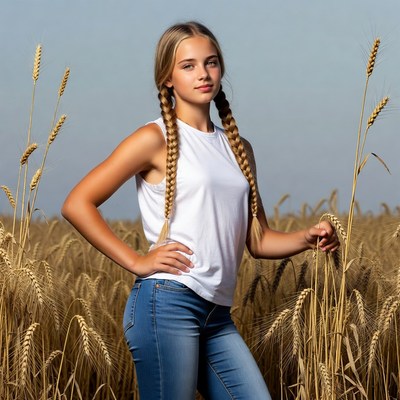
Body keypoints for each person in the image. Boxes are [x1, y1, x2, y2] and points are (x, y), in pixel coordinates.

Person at [62, 21, 339, 400]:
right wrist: (137, 261)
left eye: (210, 63)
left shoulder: (239, 149)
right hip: (167, 304)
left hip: (217, 317)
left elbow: (257, 240)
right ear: (168, 78)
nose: (203, 73)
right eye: (188, 65)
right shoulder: (153, 138)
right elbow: (77, 203)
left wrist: (306, 238)